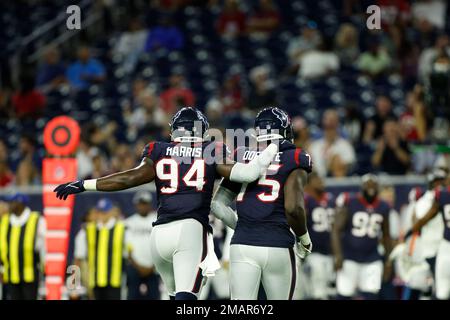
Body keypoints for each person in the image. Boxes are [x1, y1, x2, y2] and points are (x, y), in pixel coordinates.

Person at [54, 107, 278, 300]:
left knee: (173, 295)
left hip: (159, 235)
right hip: (190, 231)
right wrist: (274, 145)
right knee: (187, 298)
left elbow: (129, 178)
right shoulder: (212, 150)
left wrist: (84, 184)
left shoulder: (159, 149)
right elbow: (249, 173)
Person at [210, 107, 313, 300]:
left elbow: (217, 205)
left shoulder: (243, 155)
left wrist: (244, 227)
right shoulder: (296, 156)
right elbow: (294, 208)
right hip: (278, 243)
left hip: (243, 245)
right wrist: (304, 239)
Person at [331, 174, 393, 299]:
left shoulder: (383, 206)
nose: (371, 188)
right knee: (343, 295)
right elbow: (336, 230)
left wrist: (388, 261)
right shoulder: (350, 202)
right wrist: (338, 255)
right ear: (361, 187)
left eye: (373, 185)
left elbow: (386, 235)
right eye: (368, 184)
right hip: (349, 258)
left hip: (372, 258)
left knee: (372, 295)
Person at [400, 169, 447, 299]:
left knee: (433, 288)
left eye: (441, 181)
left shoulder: (443, 196)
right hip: (430, 250)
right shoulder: (425, 200)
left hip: (441, 248)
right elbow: (418, 224)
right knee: (428, 287)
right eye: (436, 182)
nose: (439, 185)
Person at [73, 198, 126, 300]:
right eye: (100, 211)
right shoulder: (87, 230)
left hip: (115, 281)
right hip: (94, 281)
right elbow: (78, 258)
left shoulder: (122, 228)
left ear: (111, 212)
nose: (102, 215)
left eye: (105, 212)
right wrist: (74, 285)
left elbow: (128, 255)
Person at [0, 193, 46, 300]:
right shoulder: (5, 221)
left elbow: (43, 247)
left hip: (30, 274)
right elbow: (2, 247)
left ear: (20, 204)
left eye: (12, 202)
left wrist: (45, 267)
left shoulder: (36, 219)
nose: (10, 205)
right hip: (10, 274)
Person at [303, 172, 335, 299]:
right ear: (308, 183)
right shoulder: (305, 200)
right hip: (314, 251)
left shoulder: (330, 199)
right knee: (317, 291)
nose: (321, 182)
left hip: (330, 252)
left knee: (331, 291)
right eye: (316, 179)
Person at [124, 191, 159, 300]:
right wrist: (138, 266)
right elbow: (126, 248)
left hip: (154, 267)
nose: (142, 206)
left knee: (154, 296)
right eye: (140, 203)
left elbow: (161, 245)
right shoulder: (129, 222)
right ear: (136, 205)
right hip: (134, 266)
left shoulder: (158, 220)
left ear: (149, 204)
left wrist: (152, 266)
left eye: (145, 203)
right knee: (132, 296)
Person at [309, 109, 356, 177]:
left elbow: (347, 168)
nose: (330, 123)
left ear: (337, 124)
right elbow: (310, 169)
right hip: (317, 182)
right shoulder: (314, 146)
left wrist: (333, 163)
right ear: (323, 124)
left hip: (337, 183)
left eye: (333, 122)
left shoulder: (346, 145)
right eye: (328, 127)